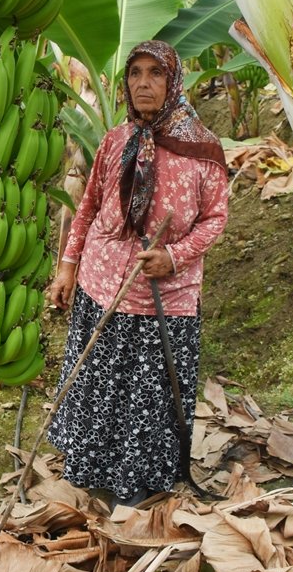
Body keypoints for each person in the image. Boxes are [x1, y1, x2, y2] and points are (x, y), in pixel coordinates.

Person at [47, 41, 228, 508]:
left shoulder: (201, 148)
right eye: (135, 74)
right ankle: (88, 469)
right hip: (99, 286)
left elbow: (215, 218)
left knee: (146, 398)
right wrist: (68, 267)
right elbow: (87, 208)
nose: (143, 83)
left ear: (173, 82)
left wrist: (176, 254)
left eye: (155, 74)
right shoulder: (115, 140)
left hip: (162, 299)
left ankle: (138, 484)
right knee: (96, 385)